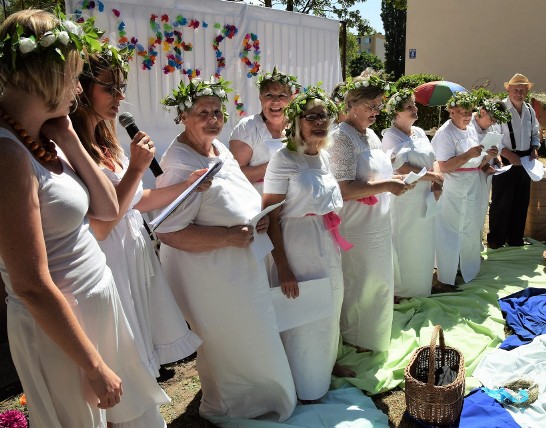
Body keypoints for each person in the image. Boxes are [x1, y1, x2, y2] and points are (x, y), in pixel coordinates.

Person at [0, 9, 168, 427]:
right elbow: (31, 285)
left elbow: (110, 208)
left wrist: (68, 137)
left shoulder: (44, 137)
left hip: (98, 305)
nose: (78, 88)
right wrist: (93, 365)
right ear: (47, 74)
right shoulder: (6, 154)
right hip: (62, 334)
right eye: (74, 76)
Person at [155, 78, 296, 422]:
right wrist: (228, 236)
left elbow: (236, 190)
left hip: (238, 264)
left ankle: (261, 397)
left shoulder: (218, 148)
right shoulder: (180, 165)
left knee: (250, 334)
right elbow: (169, 231)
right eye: (203, 112)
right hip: (210, 275)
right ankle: (237, 405)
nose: (213, 118)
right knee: (233, 339)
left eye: (217, 111)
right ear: (183, 117)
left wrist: (256, 219)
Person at [70, 46, 203, 378]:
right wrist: (135, 169)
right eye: (109, 87)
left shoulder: (107, 138)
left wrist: (187, 185)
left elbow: (136, 200)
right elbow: (100, 221)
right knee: (121, 343)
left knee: (140, 335)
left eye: (121, 86)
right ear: (82, 89)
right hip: (107, 253)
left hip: (132, 248)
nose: (120, 96)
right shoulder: (71, 146)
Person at [263, 85, 353, 401]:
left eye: (324, 115)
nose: (319, 121)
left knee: (332, 302)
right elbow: (271, 216)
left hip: (325, 239)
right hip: (296, 242)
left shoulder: (324, 157)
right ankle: (304, 378)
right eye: (311, 116)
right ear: (297, 120)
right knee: (304, 312)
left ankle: (327, 362)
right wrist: (283, 266)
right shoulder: (282, 158)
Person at [328, 69, 414, 353]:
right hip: (356, 225)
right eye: (370, 106)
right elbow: (343, 189)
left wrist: (396, 180)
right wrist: (387, 186)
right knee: (360, 282)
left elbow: (377, 176)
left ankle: (375, 335)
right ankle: (356, 338)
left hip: (378, 222)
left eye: (379, 105)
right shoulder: (341, 138)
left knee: (379, 280)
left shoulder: (372, 136)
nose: (376, 111)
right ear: (350, 105)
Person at [381, 89, 443, 297]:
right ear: (396, 113)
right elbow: (402, 168)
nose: (415, 109)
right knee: (404, 240)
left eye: (414, 105)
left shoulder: (419, 132)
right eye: (409, 107)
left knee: (423, 241)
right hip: (405, 197)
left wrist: (436, 181)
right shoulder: (390, 137)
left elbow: (433, 157)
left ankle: (422, 285)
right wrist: (432, 178)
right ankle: (402, 289)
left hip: (425, 196)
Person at [432, 92, 498, 287]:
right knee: (451, 230)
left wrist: (487, 156)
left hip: (471, 183)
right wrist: (469, 154)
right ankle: (445, 276)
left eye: (469, 112)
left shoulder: (470, 129)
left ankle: (467, 268)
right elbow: (443, 166)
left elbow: (476, 162)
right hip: (453, 187)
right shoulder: (445, 133)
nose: (467, 116)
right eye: (462, 112)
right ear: (451, 112)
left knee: (470, 226)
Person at [488, 73, 540, 249]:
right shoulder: (499, 109)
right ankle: (496, 240)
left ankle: (515, 239)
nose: (519, 93)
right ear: (508, 89)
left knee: (521, 201)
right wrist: (509, 155)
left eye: (522, 90)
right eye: (515, 89)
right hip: (504, 159)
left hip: (525, 160)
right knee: (501, 201)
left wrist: (534, 147)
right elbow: (493, 137)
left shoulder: (530, 110)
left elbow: (535, 132)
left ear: (527, 91)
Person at [229, 67, 299, 193]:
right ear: (261, 98)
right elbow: (235, 175)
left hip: (294, 204)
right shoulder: (247, 128)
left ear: (291, 99)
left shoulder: (299, 126)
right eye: (269, 95)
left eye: (282, 95)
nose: (275, 101)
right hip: (258, 203)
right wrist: (278, 165)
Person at [471, 99, 510, 245]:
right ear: (482, 112)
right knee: (470, 212)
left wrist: (498, 161)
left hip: (484, 176)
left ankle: (475, 246)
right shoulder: (468, 126)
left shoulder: (491, 127)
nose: (493, 123)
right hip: (469, 175)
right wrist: (486, 165)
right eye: (492, 119)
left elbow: (495, 146)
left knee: (481, 210)